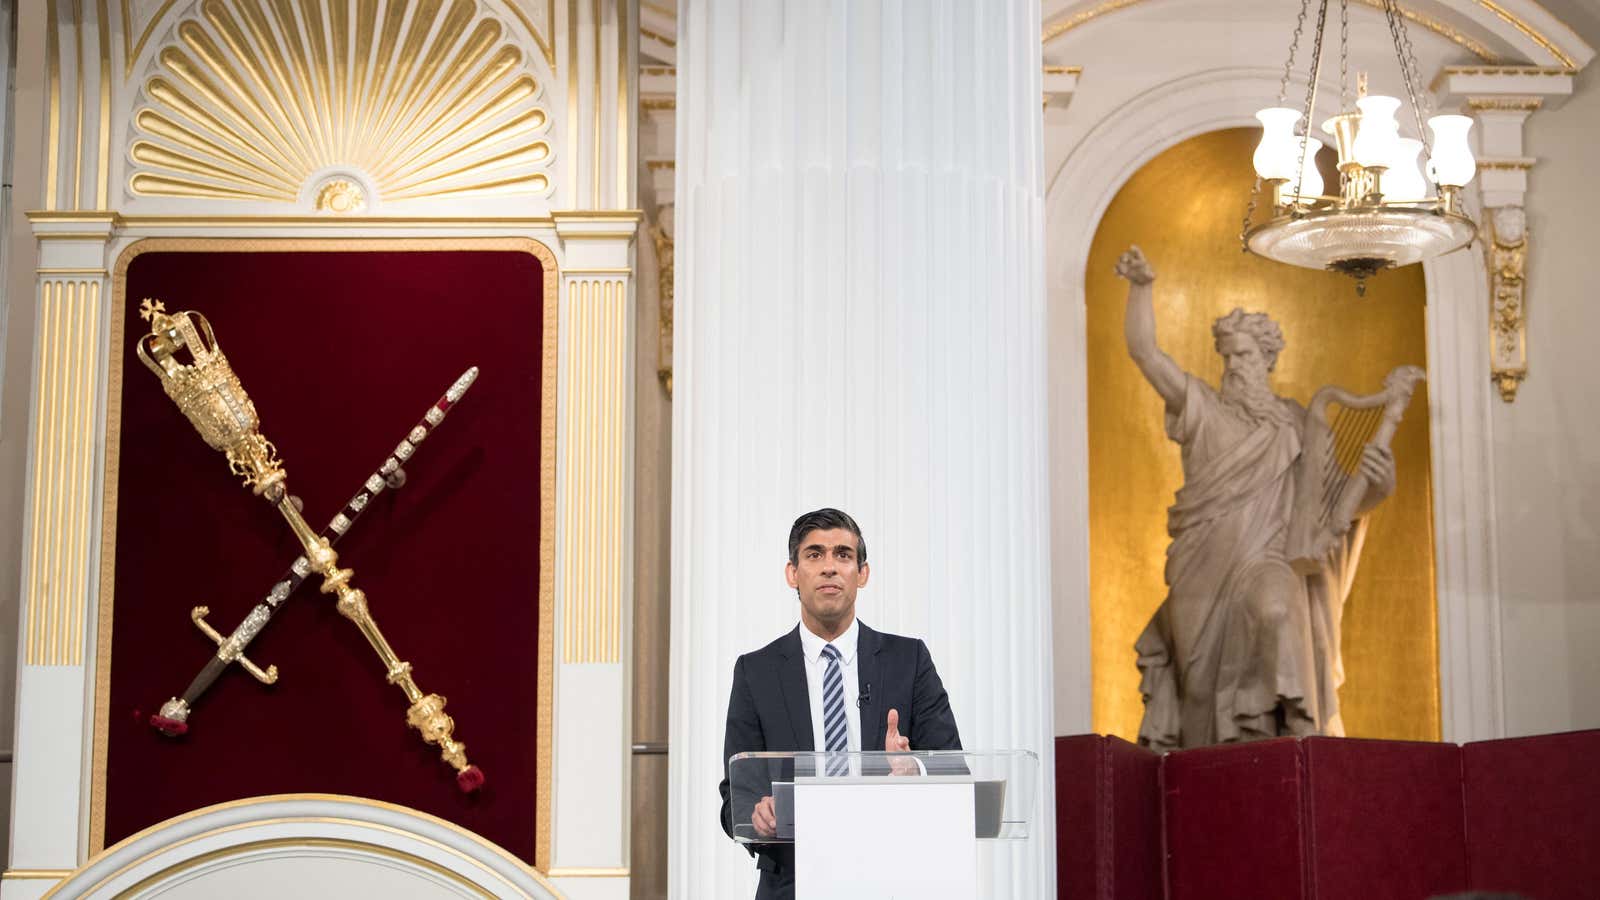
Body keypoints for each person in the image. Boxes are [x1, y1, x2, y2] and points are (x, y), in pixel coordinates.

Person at [1115, 246, 1398, 750]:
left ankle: (1288, 749)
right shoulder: (1201, 407)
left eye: (1244, 355)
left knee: (1276, 611)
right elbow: (1145, 354)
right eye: (1226, 356)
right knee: (1198, 691)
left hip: (1266, 561)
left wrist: (1375, 488)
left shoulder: (1296, 424)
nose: (1233, 366)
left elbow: (1329, 515)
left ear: (1267, 358)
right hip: (1201, 567)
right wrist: (1142, 288)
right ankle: (1210, 785)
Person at [718, 507, 963, 900]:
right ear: (792, 574)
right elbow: (735, 799)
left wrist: (913, 770)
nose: (829, 567)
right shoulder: (756, 672)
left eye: (843, 555)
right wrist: (757, 816)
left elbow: (955, 772)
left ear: (862, 574)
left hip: (893, 880)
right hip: (792, 883)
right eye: (814, 555)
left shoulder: (909, 660)